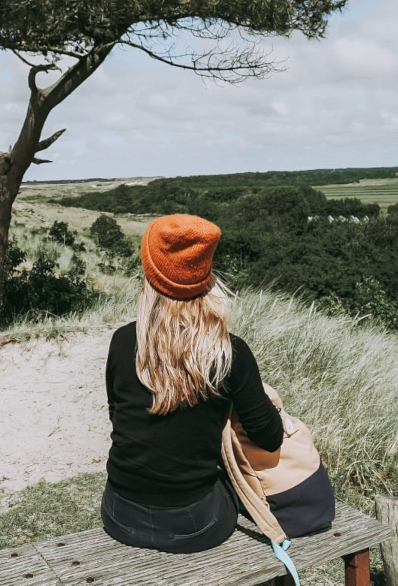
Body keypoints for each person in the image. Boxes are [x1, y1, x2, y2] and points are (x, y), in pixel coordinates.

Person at [101, 213, 284, 553]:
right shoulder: (230, 352)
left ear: (149, 272)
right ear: (205, 274)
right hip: (194, 523)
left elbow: (119, 416)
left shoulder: (122, 341)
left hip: (120, 513)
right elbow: (269, 438)